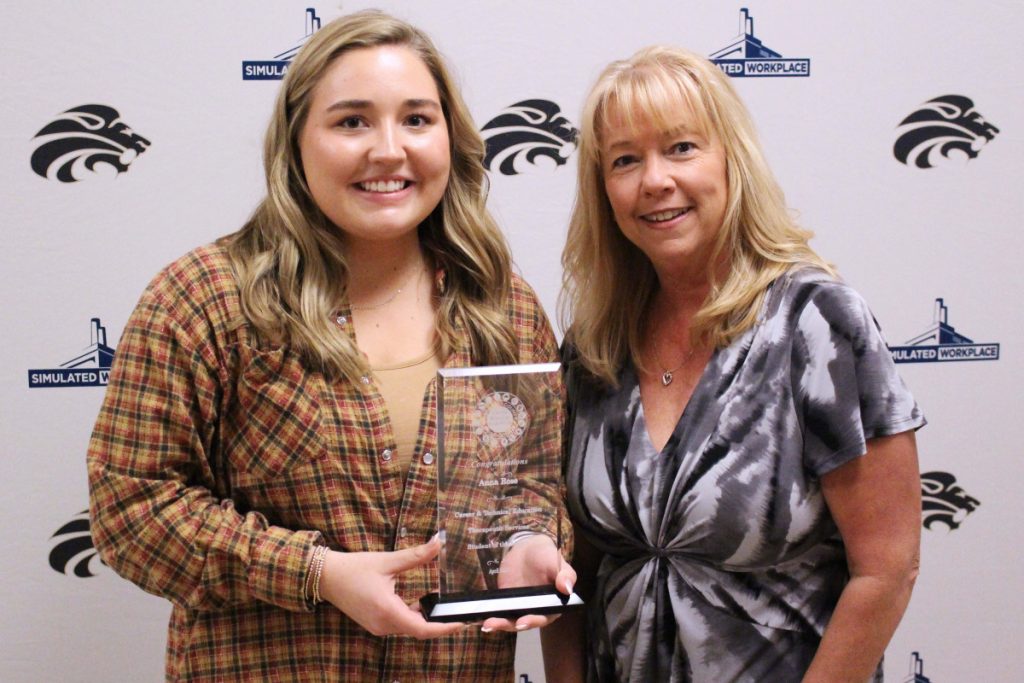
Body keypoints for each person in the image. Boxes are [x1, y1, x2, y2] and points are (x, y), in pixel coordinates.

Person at [87, 10, 573, 682]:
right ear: (297, 142)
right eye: (352, 121)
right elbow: (129, 508)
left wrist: (532, 543)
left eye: (416, 119)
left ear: (451, 138)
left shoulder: (504, 306)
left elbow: (535, 485)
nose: (388, 150)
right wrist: (316, 572)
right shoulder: (203, 300)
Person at [545, 46, 924, 683]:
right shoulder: (593, 348)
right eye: (625, 160)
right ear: (603, 189)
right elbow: (571, 567)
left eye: (681, 148)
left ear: (731, 159)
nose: (655, 180)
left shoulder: (817, 323)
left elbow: (887, 569)